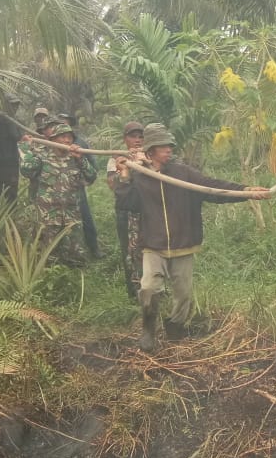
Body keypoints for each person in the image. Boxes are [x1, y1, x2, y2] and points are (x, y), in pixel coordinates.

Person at [113, 123, 268, 350]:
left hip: (183, 244)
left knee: (183, 294)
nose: (169, 150)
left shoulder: (183, 173)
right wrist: (124, 175)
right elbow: (126, 203)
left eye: (170, 146)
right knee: (148, 287)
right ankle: (148, 330)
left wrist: (246, 191)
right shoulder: (141, 177)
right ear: (151, 151)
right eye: (163, 146)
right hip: (153, 245)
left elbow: (212, 187)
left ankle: (175, 328)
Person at [19, 123, 97, 265]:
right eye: (63, 137)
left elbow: (91, 177)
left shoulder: (76, 159)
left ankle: (75, 280)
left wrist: (81, 159)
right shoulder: (42, 157)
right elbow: (26, 171)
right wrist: (27, 148)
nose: (67, 141)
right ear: (53, 140)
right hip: (48, 216)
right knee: (48, 256)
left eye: (70, 138)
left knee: (76, 255)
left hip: (71, 216)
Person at [107, 122, 145, 299]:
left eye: (140, 136)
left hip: (146, 209)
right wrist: (126, 168)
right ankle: (134, 292)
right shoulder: (115, 158)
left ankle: (153, 289)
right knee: (129, 252)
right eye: (133, 136)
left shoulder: (149, 155)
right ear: (125, 139)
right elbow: (113, 185)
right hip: (125, 211)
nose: (137, 140)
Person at [59, 112, 102, 258]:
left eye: (66, 123)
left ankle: (94, 248)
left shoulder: (80, 143)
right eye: (60, 123)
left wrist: (87, 179)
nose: (64, 125)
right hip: (57, 190)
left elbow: (92, 163)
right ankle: (68, 253)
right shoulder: (53, 142)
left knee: (85, 217)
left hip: (76, 187)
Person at [0, 93, 25, 210]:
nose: (15, 108)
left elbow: (16, 137)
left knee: (11, 195)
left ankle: (11, 223)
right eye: (12, 105)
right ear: (5, 105)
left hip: (11, 164)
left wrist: (9, 121)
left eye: (16, 105)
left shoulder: (17, 121)